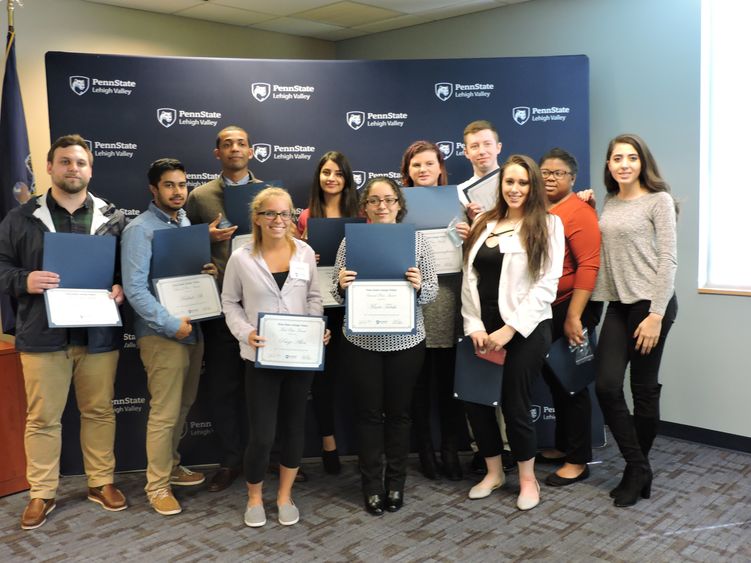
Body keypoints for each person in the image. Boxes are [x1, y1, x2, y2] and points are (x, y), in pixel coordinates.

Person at [0, 134, 128, 530]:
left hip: (98, 336)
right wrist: (25, 279)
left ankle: (101, 482)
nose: (74, 169)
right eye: (66, 162)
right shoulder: (20, 217)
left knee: (100, 411)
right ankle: (42, 491)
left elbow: (127, 269)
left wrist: (121, 286)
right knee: (42, 418)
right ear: (50, 166)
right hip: (43, 336)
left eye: (81, 163)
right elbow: (2, 268)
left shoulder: (113, 217)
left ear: (91, 169)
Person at [461, 155, 564, 511]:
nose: (515, 189)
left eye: (523, 183)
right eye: (509, 182)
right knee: (477, 402)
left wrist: (508, 330)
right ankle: (493, 473)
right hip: (483, 329)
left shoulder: (548, 224)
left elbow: (546, 286)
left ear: (532, 185)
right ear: (500, 185)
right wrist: (474, 325)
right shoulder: (485, 222)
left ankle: (526, 479)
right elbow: (469, 277)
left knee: (514, 403)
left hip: (526, 329)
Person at [222, 187, 328, 527]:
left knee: (294, 430)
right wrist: (245, 333)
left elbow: (314, 296)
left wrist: (315, 329)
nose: (278, 219)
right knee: (263, 435)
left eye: (284, 213)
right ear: (257, 217)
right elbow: (229, 303)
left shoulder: (305, 253)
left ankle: (284, 496)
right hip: (260, 356)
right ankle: (254, 497)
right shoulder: (241, 257)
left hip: (300, 358)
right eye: (270, 213)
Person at [333, 177, 438, 516]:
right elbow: (336, 296)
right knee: (367, 416)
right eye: (375, 200)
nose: (382, 206)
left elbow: (433, 293)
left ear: (398, 205)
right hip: (361, 341)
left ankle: (396, 483)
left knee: (399, 415)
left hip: (406, 341)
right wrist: (342, 285)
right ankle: (372, 486)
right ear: (365, 206)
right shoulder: (352, 242)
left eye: (389, 200)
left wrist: (420, 285)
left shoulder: (417, 241)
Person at [121, 158, 217, 515]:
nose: (178, 192)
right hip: (163, 335)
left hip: (193, 329)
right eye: (169, 185)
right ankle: (157, 485)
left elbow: (186, 276)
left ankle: (172, 465)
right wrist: (169, 324)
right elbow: (134, 289)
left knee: (184, 405)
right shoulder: (140, 229)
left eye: (182, 184)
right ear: (153, 189)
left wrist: (208, 272)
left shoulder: (187, 223)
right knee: (164, 412)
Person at [593, 134, 678, 508]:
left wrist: (656, 314)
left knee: (642, 389)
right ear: (609, 165)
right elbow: (609, 256)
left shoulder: (658, 201)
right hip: (618, 305)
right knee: (607, 386)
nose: (624, 164)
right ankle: (639, 465)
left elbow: (668, 260)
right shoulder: (610, 202)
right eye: (617, 158)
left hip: (651, 305)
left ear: (642, 162)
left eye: (631, 157)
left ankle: (633, 472)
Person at [184, 125, 259, 492]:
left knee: (265, 389)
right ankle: (230, 461)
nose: (234, 149)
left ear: (252, 151)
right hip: (219, 309)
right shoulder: (198, 197)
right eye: (226, 144)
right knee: (224, 389)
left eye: (241, 143)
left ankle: (269, 457)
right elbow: (178, 244)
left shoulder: (268, 195)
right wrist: (204, 238)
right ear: (217, 154)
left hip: (262, 308)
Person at [535, 148, 602, 486]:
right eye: (545, 171)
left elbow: (589, 265)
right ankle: (564, 446)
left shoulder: (578, 212)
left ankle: (578, 460)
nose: (549, 177)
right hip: (548, 306)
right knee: (557, 381)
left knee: (573, 385)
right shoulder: (540, 211)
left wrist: (574, 315)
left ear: (572, 179)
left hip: (571, 307)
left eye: (558, 173)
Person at [400, 140, 465, 481]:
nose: (423, 170)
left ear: (440, 167)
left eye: (429, 164)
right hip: (415, 309)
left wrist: (469, 236)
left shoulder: (461, 204)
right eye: (416, 165)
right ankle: (425, 452)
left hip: (453, 305)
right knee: (420, 389)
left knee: (451, 388)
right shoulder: (396, 207)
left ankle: (451, 451)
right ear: (407, 172)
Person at [295, 151, 359, 474]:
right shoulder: (306, 216)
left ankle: (364, 445)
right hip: (321, 304)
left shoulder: (361, 214)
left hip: (356, 304)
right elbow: (292, 265)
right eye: (325, 172)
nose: (331, 178)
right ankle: (328, 444)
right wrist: (304, 250)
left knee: (360, 378)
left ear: (347, 179)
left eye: (338, 173)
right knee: (323, 379)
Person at [458, 120, 503, 221]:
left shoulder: (514, 184)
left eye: (487, 144)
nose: (482, 151)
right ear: (466, 152)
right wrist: (473, 223)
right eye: (474, 146)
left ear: (498, 147)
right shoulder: (459, 192)